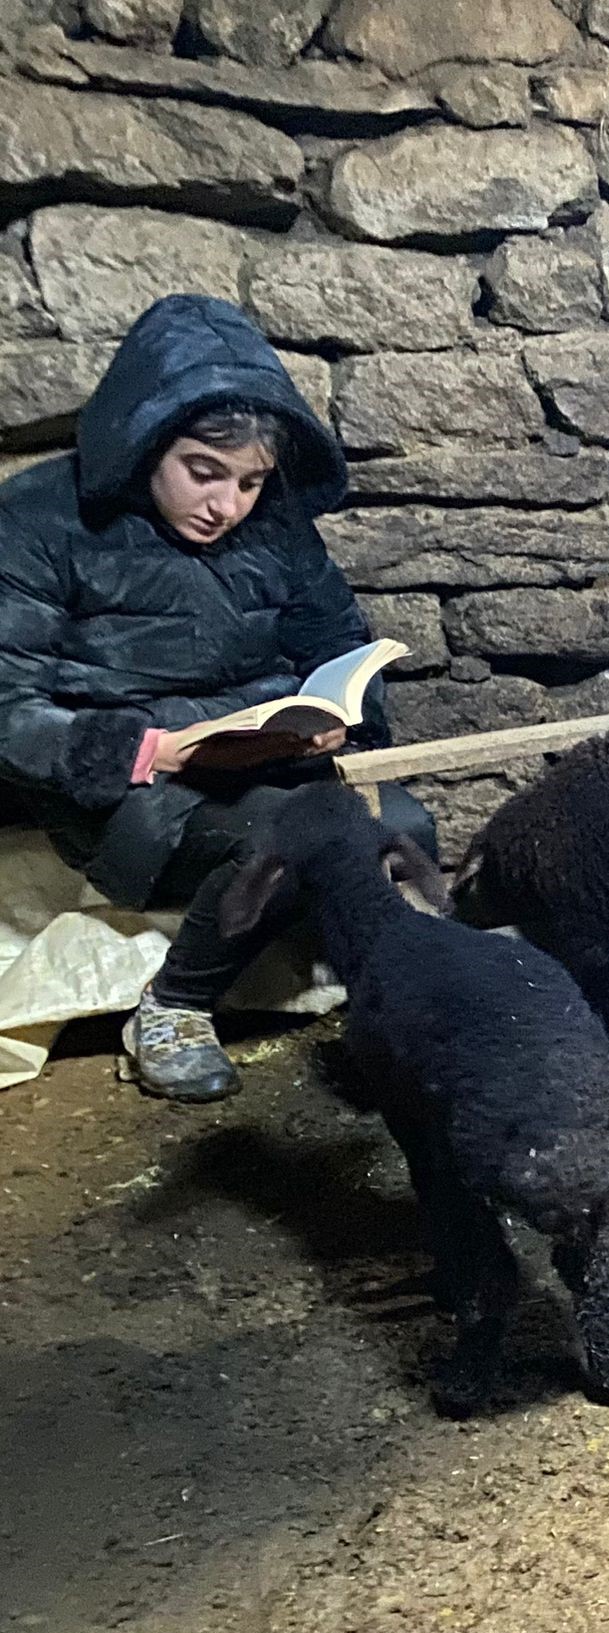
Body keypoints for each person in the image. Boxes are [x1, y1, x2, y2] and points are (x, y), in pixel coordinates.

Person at [0, 293, 435, 1103]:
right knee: (289, 839)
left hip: (260, 755)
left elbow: (335, 639)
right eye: (204, 473)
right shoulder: (37, 519)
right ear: (145, 443)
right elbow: (6, 708)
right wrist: (148, 751)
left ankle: (385, 996)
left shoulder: (271, 523)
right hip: (126, 787)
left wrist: (335, 718)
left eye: (249, 482)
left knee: (405, 825)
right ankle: (174, 1004)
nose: (226, 505)